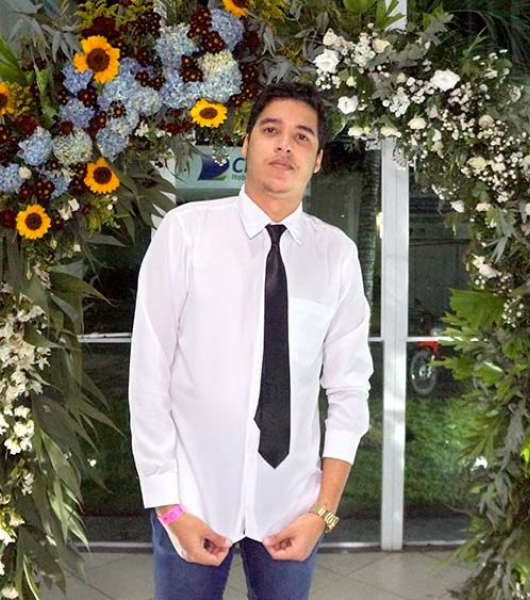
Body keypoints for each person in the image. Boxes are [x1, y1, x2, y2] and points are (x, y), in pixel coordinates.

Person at [128, 81, 374, 600]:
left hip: (292, 505)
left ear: (318, 160)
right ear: (246, 144)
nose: (285, 145)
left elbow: (350, 390)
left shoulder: (336, 255)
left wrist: (322, 512)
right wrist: (169, 507)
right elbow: (149, 377)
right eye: (271, 130)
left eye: (302, 136)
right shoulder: (185, 233)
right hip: (192, 500)